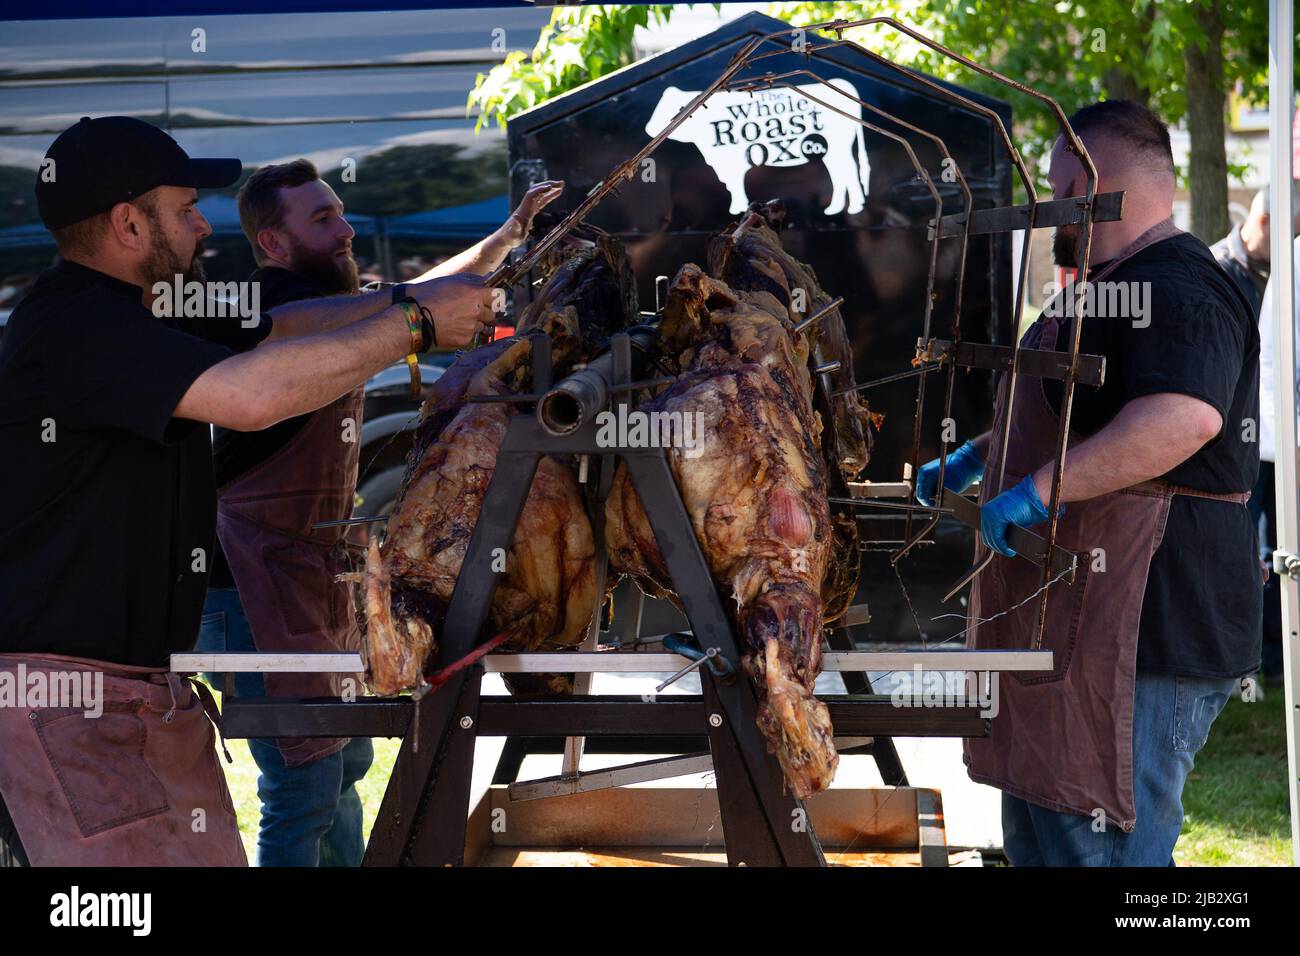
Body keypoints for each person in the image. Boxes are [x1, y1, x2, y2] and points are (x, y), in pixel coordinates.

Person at [0, 116, 494, 866]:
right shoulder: (75, 324)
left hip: (139, 695)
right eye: (186, 208)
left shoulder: (155, 306)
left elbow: (282, 327)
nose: (205, 226)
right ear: (128, 224)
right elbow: (249, 395)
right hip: (69, 706)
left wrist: (416, 297)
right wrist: (416, 325)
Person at [917, 100, 1261, 866]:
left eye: (1055, 189)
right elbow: (1083, 416)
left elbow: (1182, 420)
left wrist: (1037, 489)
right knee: (1045, 843)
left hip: (1145, 631)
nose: (1046, 211)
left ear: (1093, 185)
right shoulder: (1102, 286)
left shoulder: (1180, 287)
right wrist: (981, 455)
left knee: (1103, 855)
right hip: (1070, 623)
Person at [200, 159, 562, 866]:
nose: (347, 228)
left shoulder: (342, 301)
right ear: (273, 244)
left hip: (308, 575)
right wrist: (417, 312)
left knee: (345, 768)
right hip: (246, 584)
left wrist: (506, 238)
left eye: (340, 211)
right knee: (303, 787)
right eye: (322, 218)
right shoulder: (270, 308)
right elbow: (363, 312)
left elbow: (407, 299)